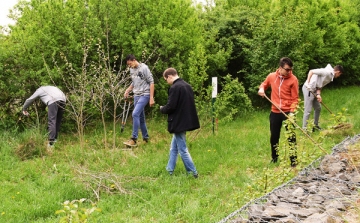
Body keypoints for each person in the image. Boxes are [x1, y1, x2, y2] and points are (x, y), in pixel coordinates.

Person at [258, 57, 299, 166]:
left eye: (290, 69)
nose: (289, 72)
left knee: (291, 137)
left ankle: (293, 161)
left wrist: (292, 112)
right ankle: (274, 158)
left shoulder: (293, 79)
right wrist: (261, 89)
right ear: (280, 68)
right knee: (274, 137)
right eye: (287, 69)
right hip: (275, 112)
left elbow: (295, 99)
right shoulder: (272, 76)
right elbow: (264, 85)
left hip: (288, 112)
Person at [160, 68, 199, 178]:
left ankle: (193, 173)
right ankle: (169, 170)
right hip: (186, 121)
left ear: (170, 76)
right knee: (174, 148)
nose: (166, 82)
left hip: (178, 122)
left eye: (166, 79)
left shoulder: (175, 87)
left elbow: (171, 106)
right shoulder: (187, 86)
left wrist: (162, 109)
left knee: (182, 150)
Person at [123, 54, 155, 147]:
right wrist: (128, 90)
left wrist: (151, 97)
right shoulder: (131, 70)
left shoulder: (144, 68)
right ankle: (146, 138)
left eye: (130, 64)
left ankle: (134, 139)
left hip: (145, 94)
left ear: (134, 60)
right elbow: (134, 82)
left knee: (135, 114)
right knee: (141, 118)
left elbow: (151, 82)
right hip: (136, 95)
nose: (129, 66)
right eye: (128, 65)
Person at [302, 64, 344, 131]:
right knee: (308, 110)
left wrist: (318, 94)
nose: (339, 76)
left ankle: (315, 126)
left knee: (318, 108)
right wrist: (308, 82)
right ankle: (304, 129)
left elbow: (320, 85)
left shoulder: (330, 77)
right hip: (308, 89)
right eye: (340, 74)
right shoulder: (326, 72)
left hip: (315, 90)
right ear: (338, 72)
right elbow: (311, 71)